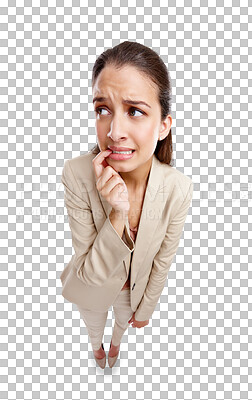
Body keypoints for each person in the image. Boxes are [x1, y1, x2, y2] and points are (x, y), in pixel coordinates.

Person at [60, 41, 194, 369]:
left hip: (132, 293)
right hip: (91, 289)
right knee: (95, 327)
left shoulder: (178, 188)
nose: (114, 131)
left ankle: (115, 346)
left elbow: (162, 261)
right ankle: (97, 349)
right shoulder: (77, 173)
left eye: (135, 111)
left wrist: (145, 310)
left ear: (163, 125)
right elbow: (90, 272)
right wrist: (118, 213)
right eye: (103, 109)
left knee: (121, 326)